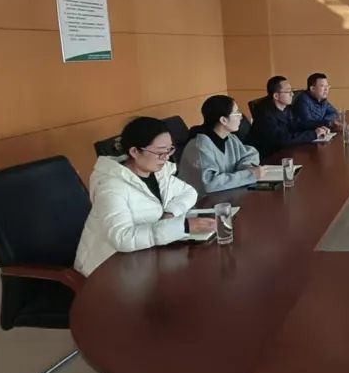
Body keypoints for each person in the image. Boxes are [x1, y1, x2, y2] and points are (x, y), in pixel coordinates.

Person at [75, 116, 214, 276]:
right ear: (134, 151)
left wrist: (170, 214)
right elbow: (122, 238)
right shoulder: (111, 186)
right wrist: (184, 227)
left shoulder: (158, 172)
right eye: (160, 152)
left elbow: (189, 192)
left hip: (143, 258)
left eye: (169, 150)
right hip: (105, 269)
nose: (166, 157)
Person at [179, 95, 270, 194]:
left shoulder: (229, 138)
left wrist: (246, 168)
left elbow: (250, 154)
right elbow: (210, 183)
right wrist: (248, 175)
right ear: (223, 120)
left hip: (225, 194)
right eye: (236, 113)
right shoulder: (200, 146)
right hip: (202, 200)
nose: (241, 117)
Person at [249, 75, 329, 158]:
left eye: (292, 90)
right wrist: (313, 134)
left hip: (283, 153)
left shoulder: (287, 108)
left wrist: (320, 126)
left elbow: (298, 124)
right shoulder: (264, 115)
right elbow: (283, 139)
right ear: (276, 96)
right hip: (266, 158)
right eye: (288, 91)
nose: (292, 94)